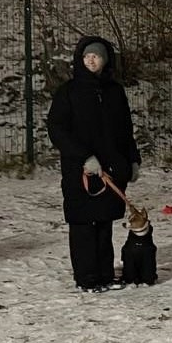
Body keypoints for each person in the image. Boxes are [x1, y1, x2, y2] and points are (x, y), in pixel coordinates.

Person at [47, 36, 141, 293]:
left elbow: (124, 129)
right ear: (80, 58)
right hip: (80, 171)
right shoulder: (68, 92)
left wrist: (132, 159)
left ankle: (104, 274)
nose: (91, 60)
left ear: (105, 60)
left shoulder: (115, 92)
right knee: (82, 224)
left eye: (97, 56)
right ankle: (86, 277)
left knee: (104, 222)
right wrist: (82, 157)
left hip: (111, 169)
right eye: (87, 55)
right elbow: (57, 129)